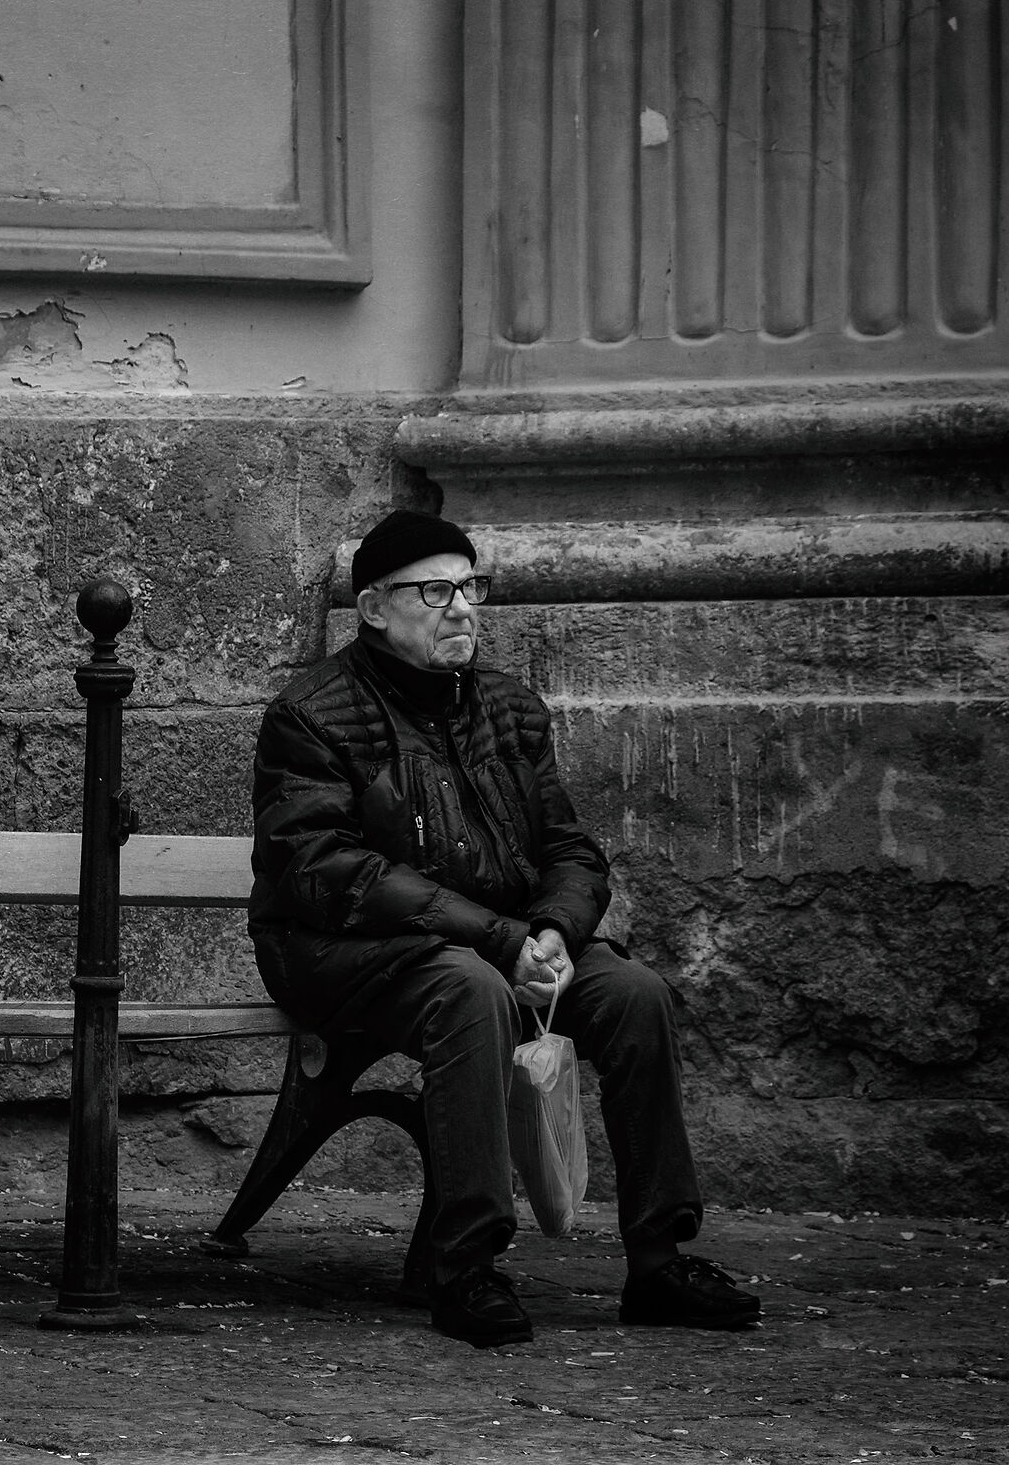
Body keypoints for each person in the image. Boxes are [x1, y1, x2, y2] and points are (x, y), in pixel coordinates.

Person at [247, 509, 760, 1348]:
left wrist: (557, 927)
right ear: (375, 608)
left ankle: (660, 1261)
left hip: (503, 941)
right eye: (436, 590)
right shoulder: (312, 714)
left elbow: (567, 846)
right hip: (343, 953)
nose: (461, 609)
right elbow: (325, 869)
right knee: (472, 992)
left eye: (470, 587)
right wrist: (499, 939)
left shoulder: (509, 708)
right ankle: (466, 1267)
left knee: (633, 994)